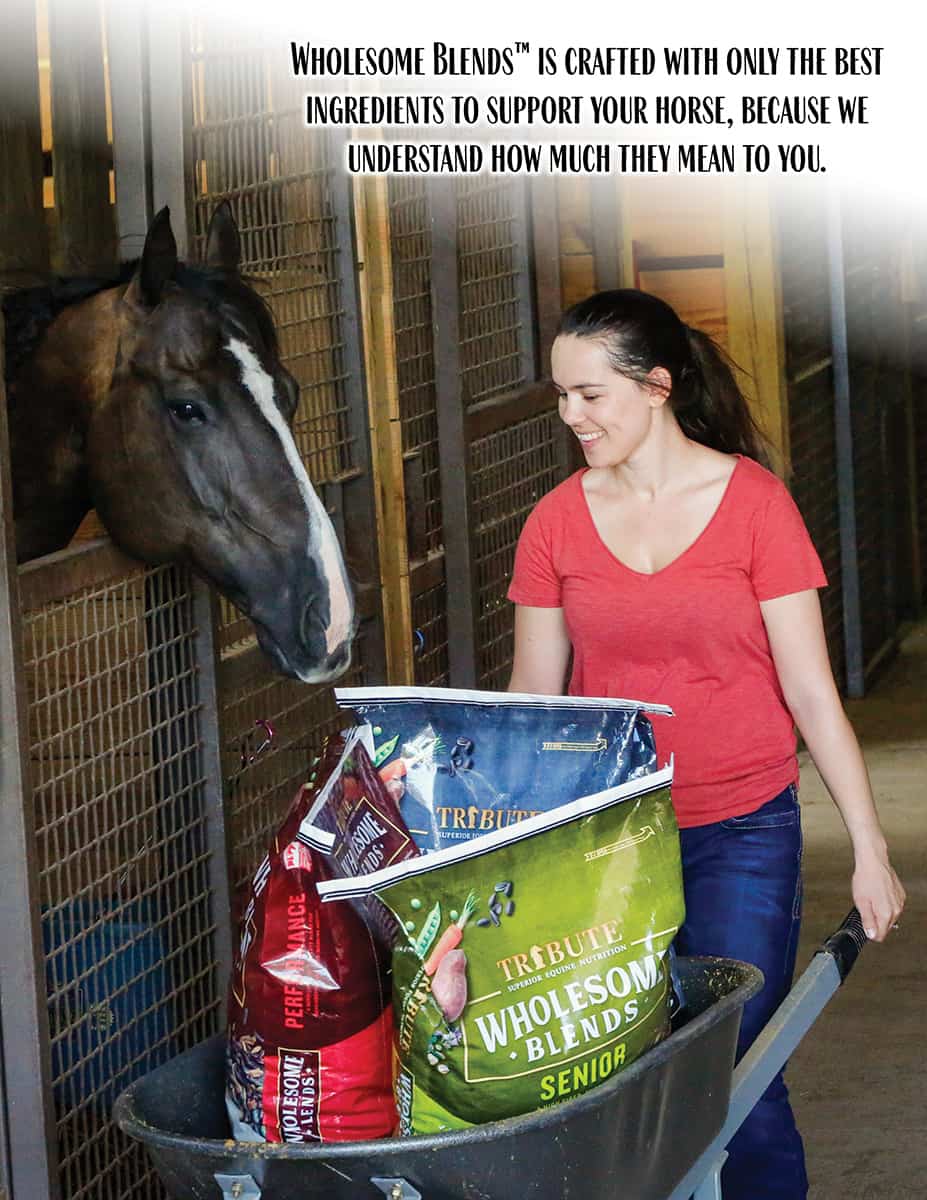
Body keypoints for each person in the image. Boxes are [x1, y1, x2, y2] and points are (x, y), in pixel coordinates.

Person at [506, 289, 906, 1200]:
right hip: (606, 840)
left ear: (655, 387)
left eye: (589, 395)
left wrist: (869, 849)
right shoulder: (554, 522)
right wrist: (513, 853)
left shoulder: (755, 506)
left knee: (741, 1067)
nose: (570, 415)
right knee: (619, 1075)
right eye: (560, 395)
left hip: (742, 828)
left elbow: (810, 690)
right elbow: (534, 703)